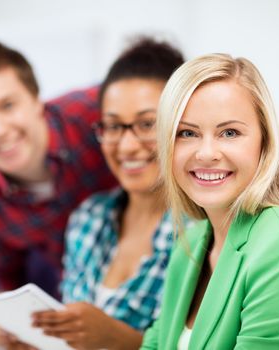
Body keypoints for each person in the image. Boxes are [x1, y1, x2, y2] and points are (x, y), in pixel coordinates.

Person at [141, 54, 279, 349]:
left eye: (229, 132)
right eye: (187, 133)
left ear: (265, 142)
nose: (206, 153)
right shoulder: (190, 246)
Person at [0, 39, 118, 347]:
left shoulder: (95, 110)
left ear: (37, 101)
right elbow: (0, 272)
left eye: (7, 105)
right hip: (81, 314)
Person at [30, 38, 185, 350]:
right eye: (113, 127)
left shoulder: (201, 233)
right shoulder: (89, 217)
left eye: (147, 124)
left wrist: (115, 338)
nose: (126, 146)